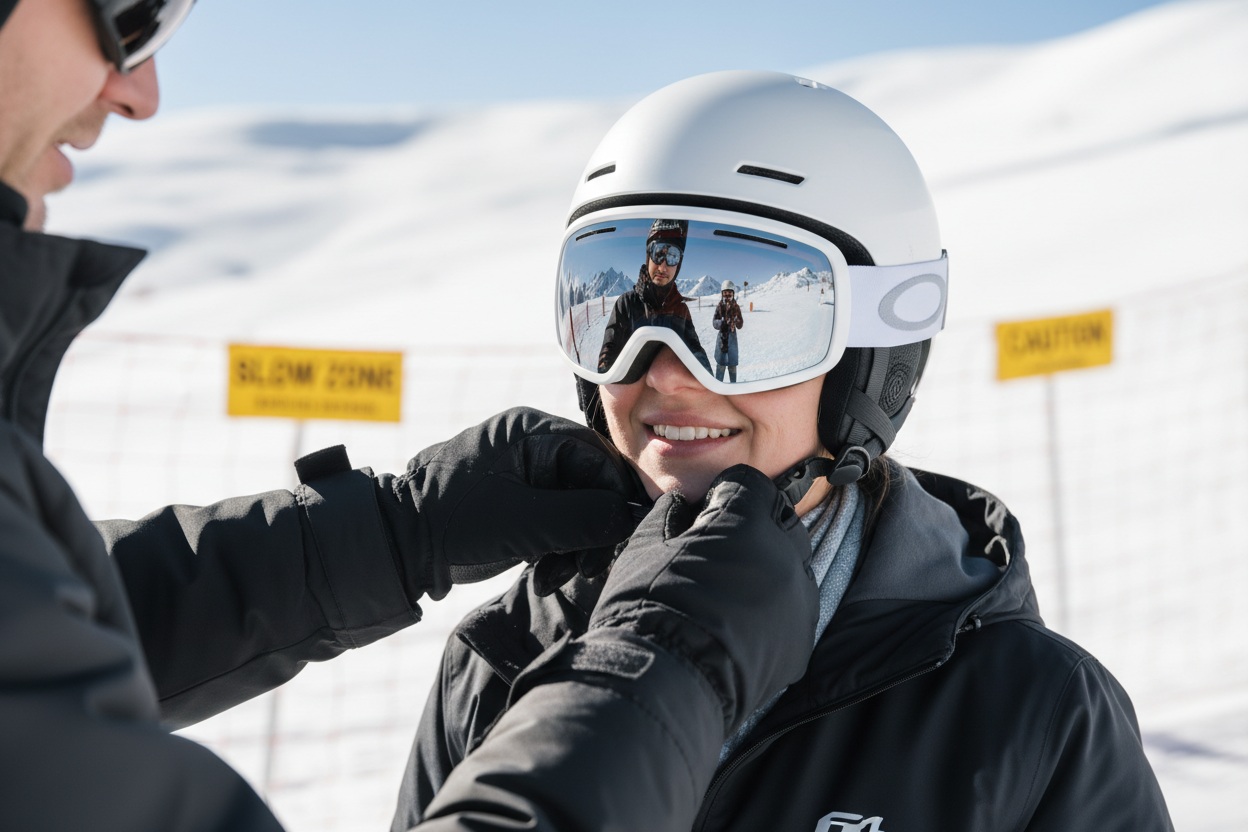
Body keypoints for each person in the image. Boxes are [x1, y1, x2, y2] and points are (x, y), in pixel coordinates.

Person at [1, 4, 823, 831]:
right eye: (128, 7)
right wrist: (661, 667)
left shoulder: (920, 646)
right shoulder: (514, 646)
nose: (141, 91)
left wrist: (397, 529)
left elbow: (36, 632)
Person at [398, 71, 1175, 831]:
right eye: (613, 331)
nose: (664, 374)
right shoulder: (502, 655)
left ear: (870, 363)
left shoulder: (1029, 714)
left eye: (765, 335)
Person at [597, 218, 710, 375]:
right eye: (658, 254)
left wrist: (707, 381)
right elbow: (607, 358)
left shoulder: (681, 310)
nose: (663, 267)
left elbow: (697, 353)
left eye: (672, 257)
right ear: (648, 255)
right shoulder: (626, 304)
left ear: (678, 265)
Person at [712, 280, 743, 382]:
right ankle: (718, 386)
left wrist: (736, 321)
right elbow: (714, 322)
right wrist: (722, 323)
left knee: (732, 366)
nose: (727, 294)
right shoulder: (719, 306)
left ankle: (733, 387)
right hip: (722, 340)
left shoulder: (736, 307)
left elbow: (740, 324)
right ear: (722, 293)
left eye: (729, 292)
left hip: (732, 341)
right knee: (720, 365)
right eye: (725, 292)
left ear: (733, 293)